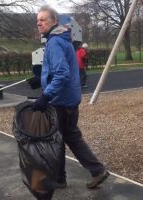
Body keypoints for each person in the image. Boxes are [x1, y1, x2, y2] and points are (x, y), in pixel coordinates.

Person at [34, 5, 109, 189]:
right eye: (38, 20)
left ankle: (66, 177)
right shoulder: (62, 39)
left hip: (60, 101)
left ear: (54, 21)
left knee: (58, 139)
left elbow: (62, 74)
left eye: (43, 19)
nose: (39, 23)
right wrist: (40, 79)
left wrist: (45, 95)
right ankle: (80, 174)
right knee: (66, 137)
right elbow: (59, 70)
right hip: (68, 99)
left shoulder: (55, 42)